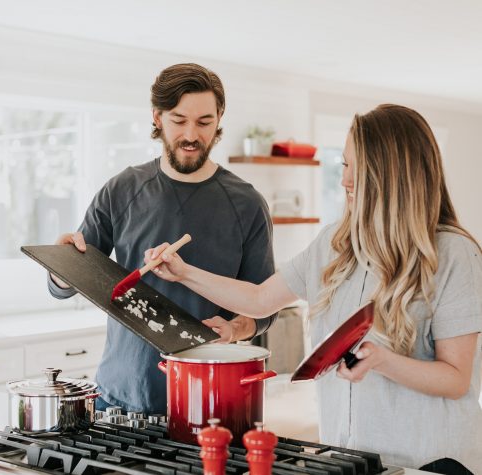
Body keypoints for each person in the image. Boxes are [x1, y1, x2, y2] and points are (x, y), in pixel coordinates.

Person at [146, 104, 482, 474]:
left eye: (356, 167)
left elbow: (456, 378)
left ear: (392, 174)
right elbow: (259, 299)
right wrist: (184, 272)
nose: (345, 180)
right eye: (344, 165)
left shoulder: (453, 253)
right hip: (350, 457)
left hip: (430, 461)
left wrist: (384, 361)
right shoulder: (334, 245)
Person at [47, 63, 277, 415]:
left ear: (219, 119)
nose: (191, 134)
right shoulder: (121, 189)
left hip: (208, 399)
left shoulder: (247, 204)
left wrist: (234, 328)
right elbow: (70, 279)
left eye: (204, 122)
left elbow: (264, 307)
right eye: (178, 120)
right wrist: (60, 268)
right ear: (157, 117)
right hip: (118, 397)